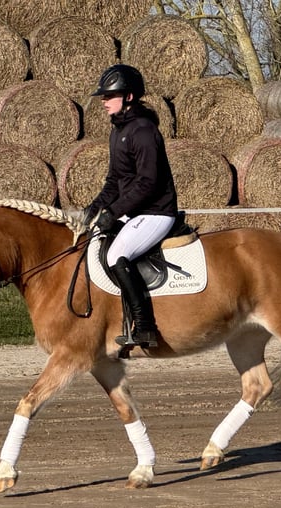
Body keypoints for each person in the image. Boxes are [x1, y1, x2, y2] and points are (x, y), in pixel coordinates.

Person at [83, 64, 178, 349]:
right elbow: (114, 181)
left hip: (157, 212)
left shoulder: (144, 131)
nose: (103, 100)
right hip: (137, 211)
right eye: (103, 96)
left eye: (110, 95)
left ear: (129, 97)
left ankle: (146, 327)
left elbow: (148, 182)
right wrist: (96, 207)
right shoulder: (118, 132)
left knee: (117, 255)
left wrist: (114, 212)